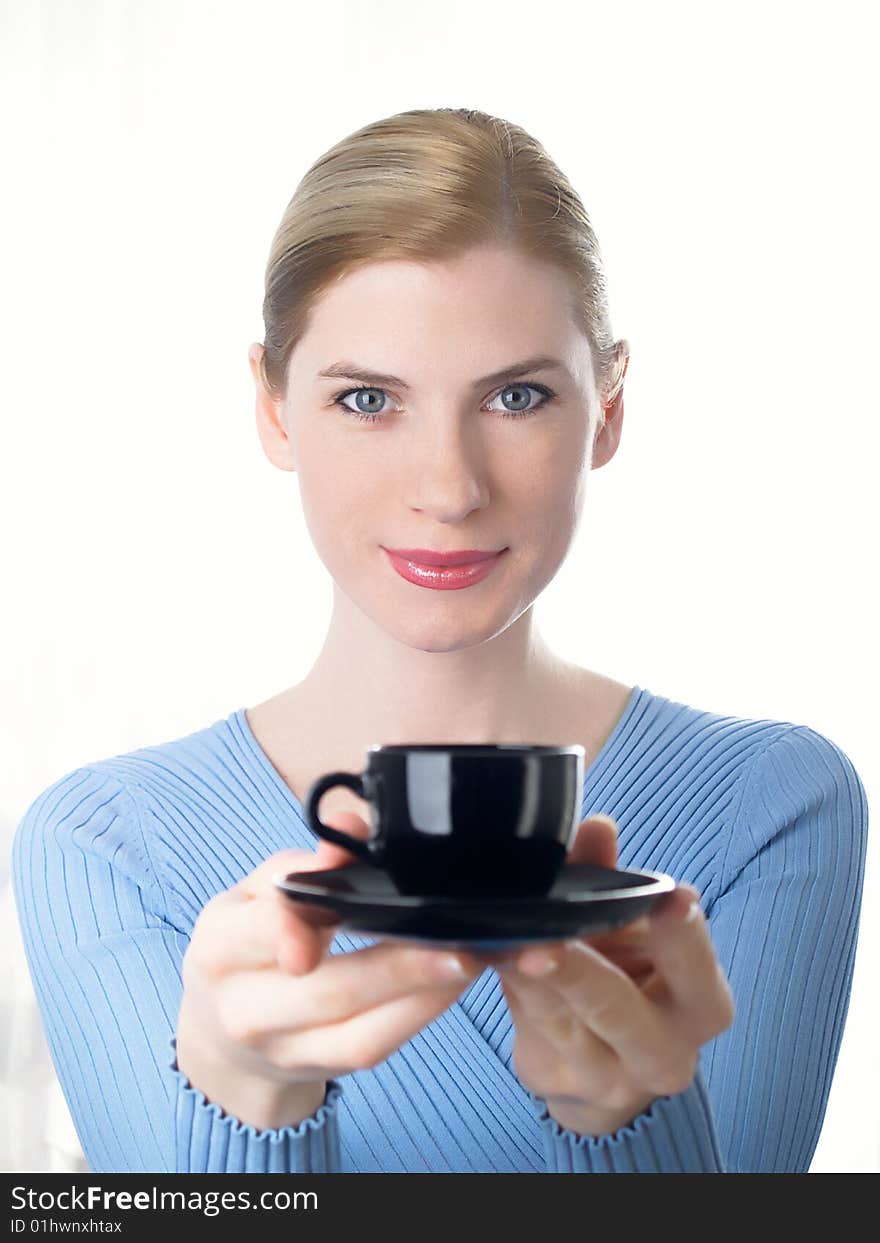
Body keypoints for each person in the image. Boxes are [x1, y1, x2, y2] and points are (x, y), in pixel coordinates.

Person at [11, 107, 868, 1175]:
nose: (449, 490)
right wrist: (243, 1111)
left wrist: (624, 1128)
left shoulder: (774, 803)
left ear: (607, 408)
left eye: (516, 396)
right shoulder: (103, 845)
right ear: (273, 409)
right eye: (367, 398)